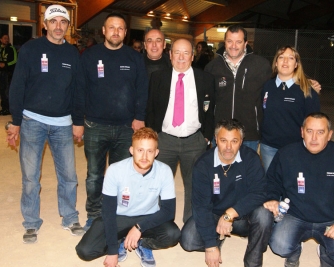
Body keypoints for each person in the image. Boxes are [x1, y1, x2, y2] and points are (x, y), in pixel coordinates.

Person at [6, 4, 84, 244]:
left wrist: (78, 121)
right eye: (54, 21)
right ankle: (31, 223)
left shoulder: (72, 54)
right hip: (32, 121)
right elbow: (17, 86)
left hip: (63, 123)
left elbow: (78, 91)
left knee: (69, 176)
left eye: (63, 22)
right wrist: (15, 121)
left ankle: (70, 217)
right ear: (45, 24)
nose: (58, 26)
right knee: (31, 177)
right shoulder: (31, 49)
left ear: (68, 26)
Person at [72, 12, 148, 231]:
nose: (116, 31)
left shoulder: (134, 58)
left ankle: (117, 213)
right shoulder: (89, 55)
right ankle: (94, 215)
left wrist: (139, 117)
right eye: (111, 27)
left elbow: (142, 90)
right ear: (103, 31)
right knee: (94, 175)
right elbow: (80, 90)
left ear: (125, 32)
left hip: (126, 128)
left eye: (120, 28)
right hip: (95, 126)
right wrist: (78, 121)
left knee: (122, 176)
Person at [264, 112, 334, 267]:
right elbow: (272, 181)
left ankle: (325, 253)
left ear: (329, 135)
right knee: (279, 246)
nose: (314, 138)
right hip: (295, 215)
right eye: (309, 131)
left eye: (320, 132)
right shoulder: (286, 153)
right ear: (302, 132)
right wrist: (271, 198)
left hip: (331, 219)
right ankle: (294, 251)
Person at [205, 24, 321, 151]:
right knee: (220, 169)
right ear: (224, 42)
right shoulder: (212, 67)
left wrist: (304, 82)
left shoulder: (260, 65)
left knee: (249, 171)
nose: (234, 46)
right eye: (230, 41)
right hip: (222, 134)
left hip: (249, 136)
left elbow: (281, 79)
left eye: (238, 42)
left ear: (245, 43)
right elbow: (207, 101)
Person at [76, 127, 181, 267]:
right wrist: (112, 251)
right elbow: (108, 212)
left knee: (173, 235)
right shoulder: (115, 170)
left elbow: (168, 212)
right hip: (119, 217)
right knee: (85, 251)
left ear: (156, 153)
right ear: (131, 150)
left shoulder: (164, 171)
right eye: (140, 150)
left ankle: (143, 243)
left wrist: (139, 228)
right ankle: (120, 241)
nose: (144, 157)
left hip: (148, 217)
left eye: (149, 151)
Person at [180, 119, 272, 267]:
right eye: (223, 140)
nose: (228, 147)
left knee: (264, 215)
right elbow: (201, 206)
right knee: (188, 241)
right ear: (215, 139)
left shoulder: (251, 158)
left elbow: (260, 192)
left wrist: (231, 213)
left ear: (241, 141)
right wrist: (210, 246)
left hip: (243, 215)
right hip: (214, 214)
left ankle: (253, 261)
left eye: (234, 141)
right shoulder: (203, 163)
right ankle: (217, 237)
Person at [146, 38, 215, 223]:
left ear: (193, 56)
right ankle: (160, 223)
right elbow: (150, 109)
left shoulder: (205, 79)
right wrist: (153, 137)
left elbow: (211, 111)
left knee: (194, 185)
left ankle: (190, 224)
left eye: (186, 53)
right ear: (170, 55)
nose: (181, 57)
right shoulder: (158, 77)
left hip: (195, 141)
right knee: (160, 184)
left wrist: (206, 138)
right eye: (177, 52)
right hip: (165, 140)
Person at [260, 46, 320, 172]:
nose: (285, 61)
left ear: (296, 64)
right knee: (272, 185)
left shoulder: (307, 90)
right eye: (281, 57)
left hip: (295, 147)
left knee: (292, 185)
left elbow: (314, 122)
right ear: (276, 63)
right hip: (269, 147)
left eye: (290, 58)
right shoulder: (267, 86)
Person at [0, 33, 17, 116]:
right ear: (0, 39)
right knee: (1, 90)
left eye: (7, 38)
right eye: (5, 38)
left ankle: (8, 109)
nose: (6, 40)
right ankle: (4, 108)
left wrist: (6, 65)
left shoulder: (11, 48)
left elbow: (15, 60)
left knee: (7, 91)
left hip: (9, 73)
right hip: (2, 72)